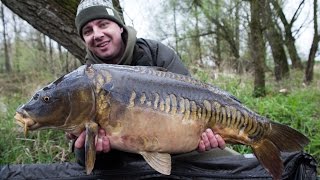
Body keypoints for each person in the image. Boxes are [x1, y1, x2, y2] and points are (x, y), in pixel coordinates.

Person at [68, 0, 231, 169]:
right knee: (86, 155)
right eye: (88, 31)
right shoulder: (82, 81)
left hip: (180, 148)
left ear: (120, 27)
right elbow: (81, 155)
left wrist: (203, 135)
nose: (97, 34)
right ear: (84, 39)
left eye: (103, 24)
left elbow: (194, 100)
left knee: (232, 163)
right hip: (120, 159)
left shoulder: (157, 53)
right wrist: (89, 146)